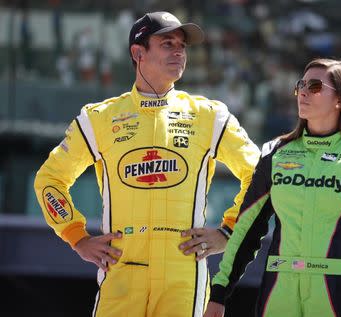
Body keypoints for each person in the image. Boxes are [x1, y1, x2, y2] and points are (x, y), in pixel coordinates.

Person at [34, 11, 260, 317]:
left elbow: (260, 174)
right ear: (138, 53)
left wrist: (228, 231)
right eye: (167, 43)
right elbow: (49, 180)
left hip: (183, 275)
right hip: (121, 268)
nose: (179, 51)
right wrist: (78, 237)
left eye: (182, 45)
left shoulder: (210, 115)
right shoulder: (98, 118)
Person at [204, 58, 341, 317]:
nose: (302, 91)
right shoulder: (274, 153)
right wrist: (219, 292)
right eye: (301, 84)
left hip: (336, 297)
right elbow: (246, 228)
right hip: (278, 295)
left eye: (315, 86)